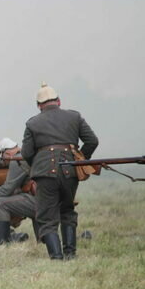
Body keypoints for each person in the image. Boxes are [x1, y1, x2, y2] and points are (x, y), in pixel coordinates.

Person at [22, 83, 99, 259]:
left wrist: (39, 165)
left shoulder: (32, 122)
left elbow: (26, 153)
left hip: (44, 174)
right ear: (59, 101)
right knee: (67, 209)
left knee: (47, 217)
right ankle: (70, 254)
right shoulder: (74, 116)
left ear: (39, 105)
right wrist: (79, 159)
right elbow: (92, 141)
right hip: (70, 169)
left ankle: (56, 258)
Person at [0, 138, 36, 244]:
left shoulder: (17, 160)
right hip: (47, 198)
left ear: (6, 152)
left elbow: (7, 189)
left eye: (2, 158)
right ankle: (41, 241)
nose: (3, 162)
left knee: (0, 203)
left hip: (38, 201)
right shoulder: (27, 155)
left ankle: (1, 242)